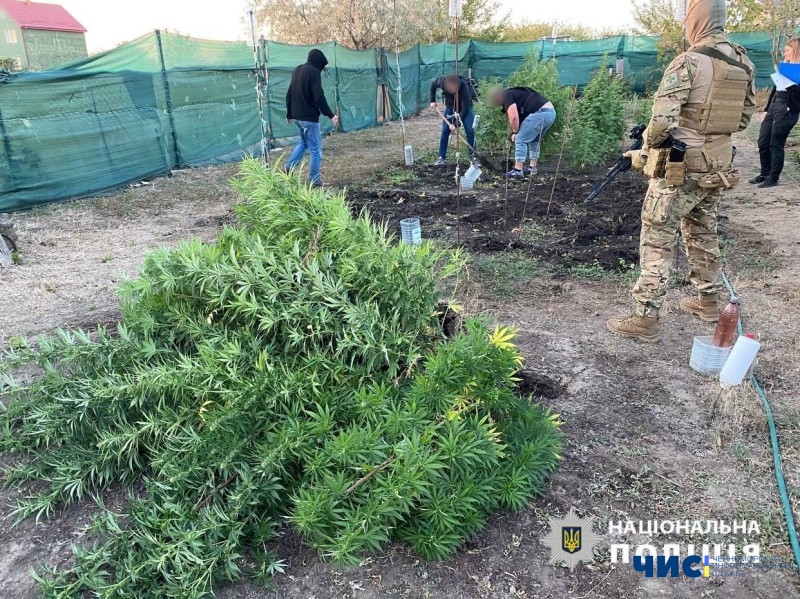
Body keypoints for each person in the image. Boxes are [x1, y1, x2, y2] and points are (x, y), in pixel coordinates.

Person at [607, 0, 756, 342]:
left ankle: (645, 318)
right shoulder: (744, 61)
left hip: (681, 167)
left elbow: (661, 122)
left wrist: (647, 150)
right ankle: (709, 302)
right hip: (718, 165)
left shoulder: (689, 61)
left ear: (695, 19)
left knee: (657, 236)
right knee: (702, 231)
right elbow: (745, 118)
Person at [750, 38, 800, 188]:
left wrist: (791, 83)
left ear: (796, 50)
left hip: (788, 109)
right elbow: (775, 88)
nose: (784, 53)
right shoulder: (785, 67)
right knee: (763, 142)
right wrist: (766, 109)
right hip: (774, 106)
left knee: (776, 143)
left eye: (787, 50)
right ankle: (764, 173)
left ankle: (773, 177)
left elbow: (796, 94)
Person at [285, 49, 339, 186]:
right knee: (315, 149)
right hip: (309, 118)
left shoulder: (297, 69)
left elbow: (290, 92)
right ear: (319, 62)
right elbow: (318, 97)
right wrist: (331, 115)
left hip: (297, 116)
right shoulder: (314, 72)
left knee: (304, 143)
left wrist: (289, 112)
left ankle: (289, 167)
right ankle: (314, 180)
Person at [488, 86, 556, 178]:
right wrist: (515, 131)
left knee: (520, 139)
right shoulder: (514, 93)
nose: (498, 103)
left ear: (498, 96)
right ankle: (533, 169)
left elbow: (514, 117)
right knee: (534, 140)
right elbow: (521, 117)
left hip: (540, 113)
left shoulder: (507, 96)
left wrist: (515, 133)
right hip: (550, 113)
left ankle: (518, 171)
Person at [430, 74, 477, 166]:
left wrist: (456, 124)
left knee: (470, 130)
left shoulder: (464, 87)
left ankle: (472, 156)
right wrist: (432, 100)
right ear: (447, 86)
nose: (455, 90)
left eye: (456, 87)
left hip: (465, 108)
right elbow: (433, 84)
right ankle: (441, 157)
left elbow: (465, 108)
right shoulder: (442, 81)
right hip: (450, 107)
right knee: (445, 131)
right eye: (452, 88)